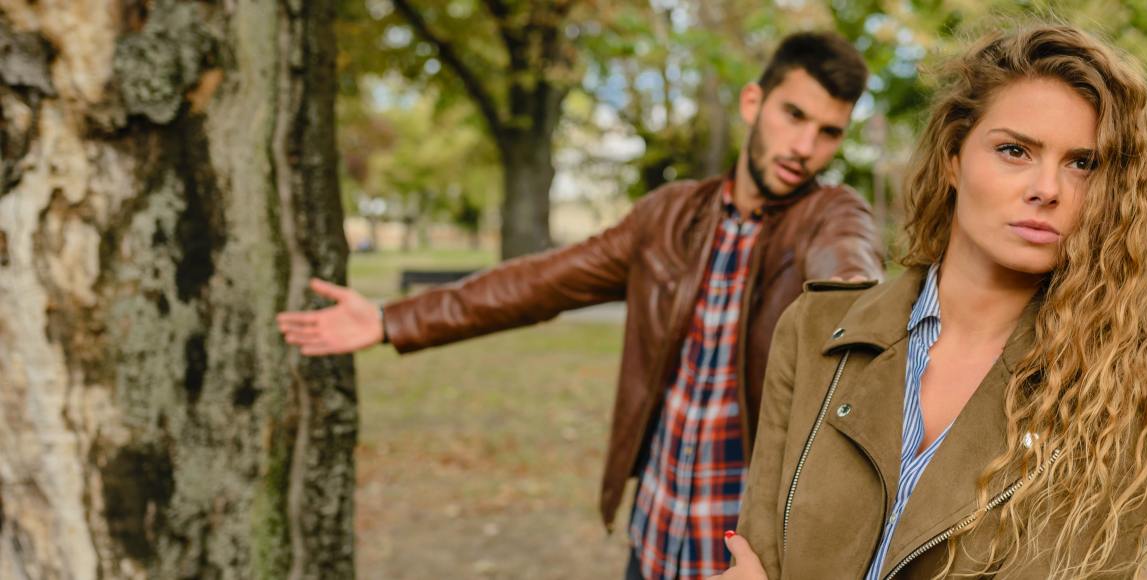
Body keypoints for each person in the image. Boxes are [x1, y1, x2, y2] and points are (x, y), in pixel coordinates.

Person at [275, 32, 883, 579]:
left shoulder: (830, 216)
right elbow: (541, 281)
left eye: (828, 132)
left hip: (745, 558)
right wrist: (391, 319)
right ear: (754, 103)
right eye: (793, 115)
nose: (804, 146)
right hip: (655, 536)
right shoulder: (668, 216)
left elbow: (851, 281)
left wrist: (858, 306)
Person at [714, 24, 1147, 579]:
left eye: (1083, 163)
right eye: (1014, 150)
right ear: (953, 159)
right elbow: (759, 557)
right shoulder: (814, 329)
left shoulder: (1119, 388)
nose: (1048, 188)